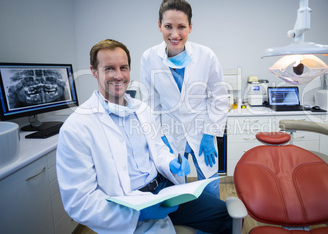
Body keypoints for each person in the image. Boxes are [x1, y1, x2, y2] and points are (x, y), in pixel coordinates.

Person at [56, 39, 232, 234]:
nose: (118, 75)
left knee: (225, 215)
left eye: (123, 67)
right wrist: (138, 214)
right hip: (128, 204)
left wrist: (170, 162)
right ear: (94, 71)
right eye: (109, 69)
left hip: (164, 191)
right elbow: (79, 202)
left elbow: (158, 149)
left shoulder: (142, 110)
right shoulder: (76, 127)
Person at [140, 0, 228, 199]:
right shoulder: (149, 58)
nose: (174, 34)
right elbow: (151, 104)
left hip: (202, 131)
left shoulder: (206, 55)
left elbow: (219, 97)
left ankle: (208, 228)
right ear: (159, 26)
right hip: (170, 134)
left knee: (211, 190)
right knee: (175, 192)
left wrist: (209, 134)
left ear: (190, 27)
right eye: (168, 26)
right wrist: (160, 139)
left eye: (181, 26)